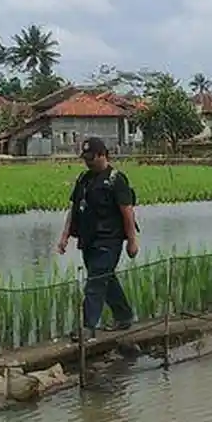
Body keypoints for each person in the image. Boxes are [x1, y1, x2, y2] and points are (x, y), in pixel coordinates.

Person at [58, 137, 139, 339]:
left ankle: (88, 326)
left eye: (91, 157)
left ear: (103, 155)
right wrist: (65, 236)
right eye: (85, 157)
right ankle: (124, 316)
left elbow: (127, 212)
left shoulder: (115, 179)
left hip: (109, 240)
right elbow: (74, 209)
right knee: (105, 278)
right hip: (88, 239)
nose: (87, 161)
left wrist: (132, 240)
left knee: (95, 280)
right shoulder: (83, 179)